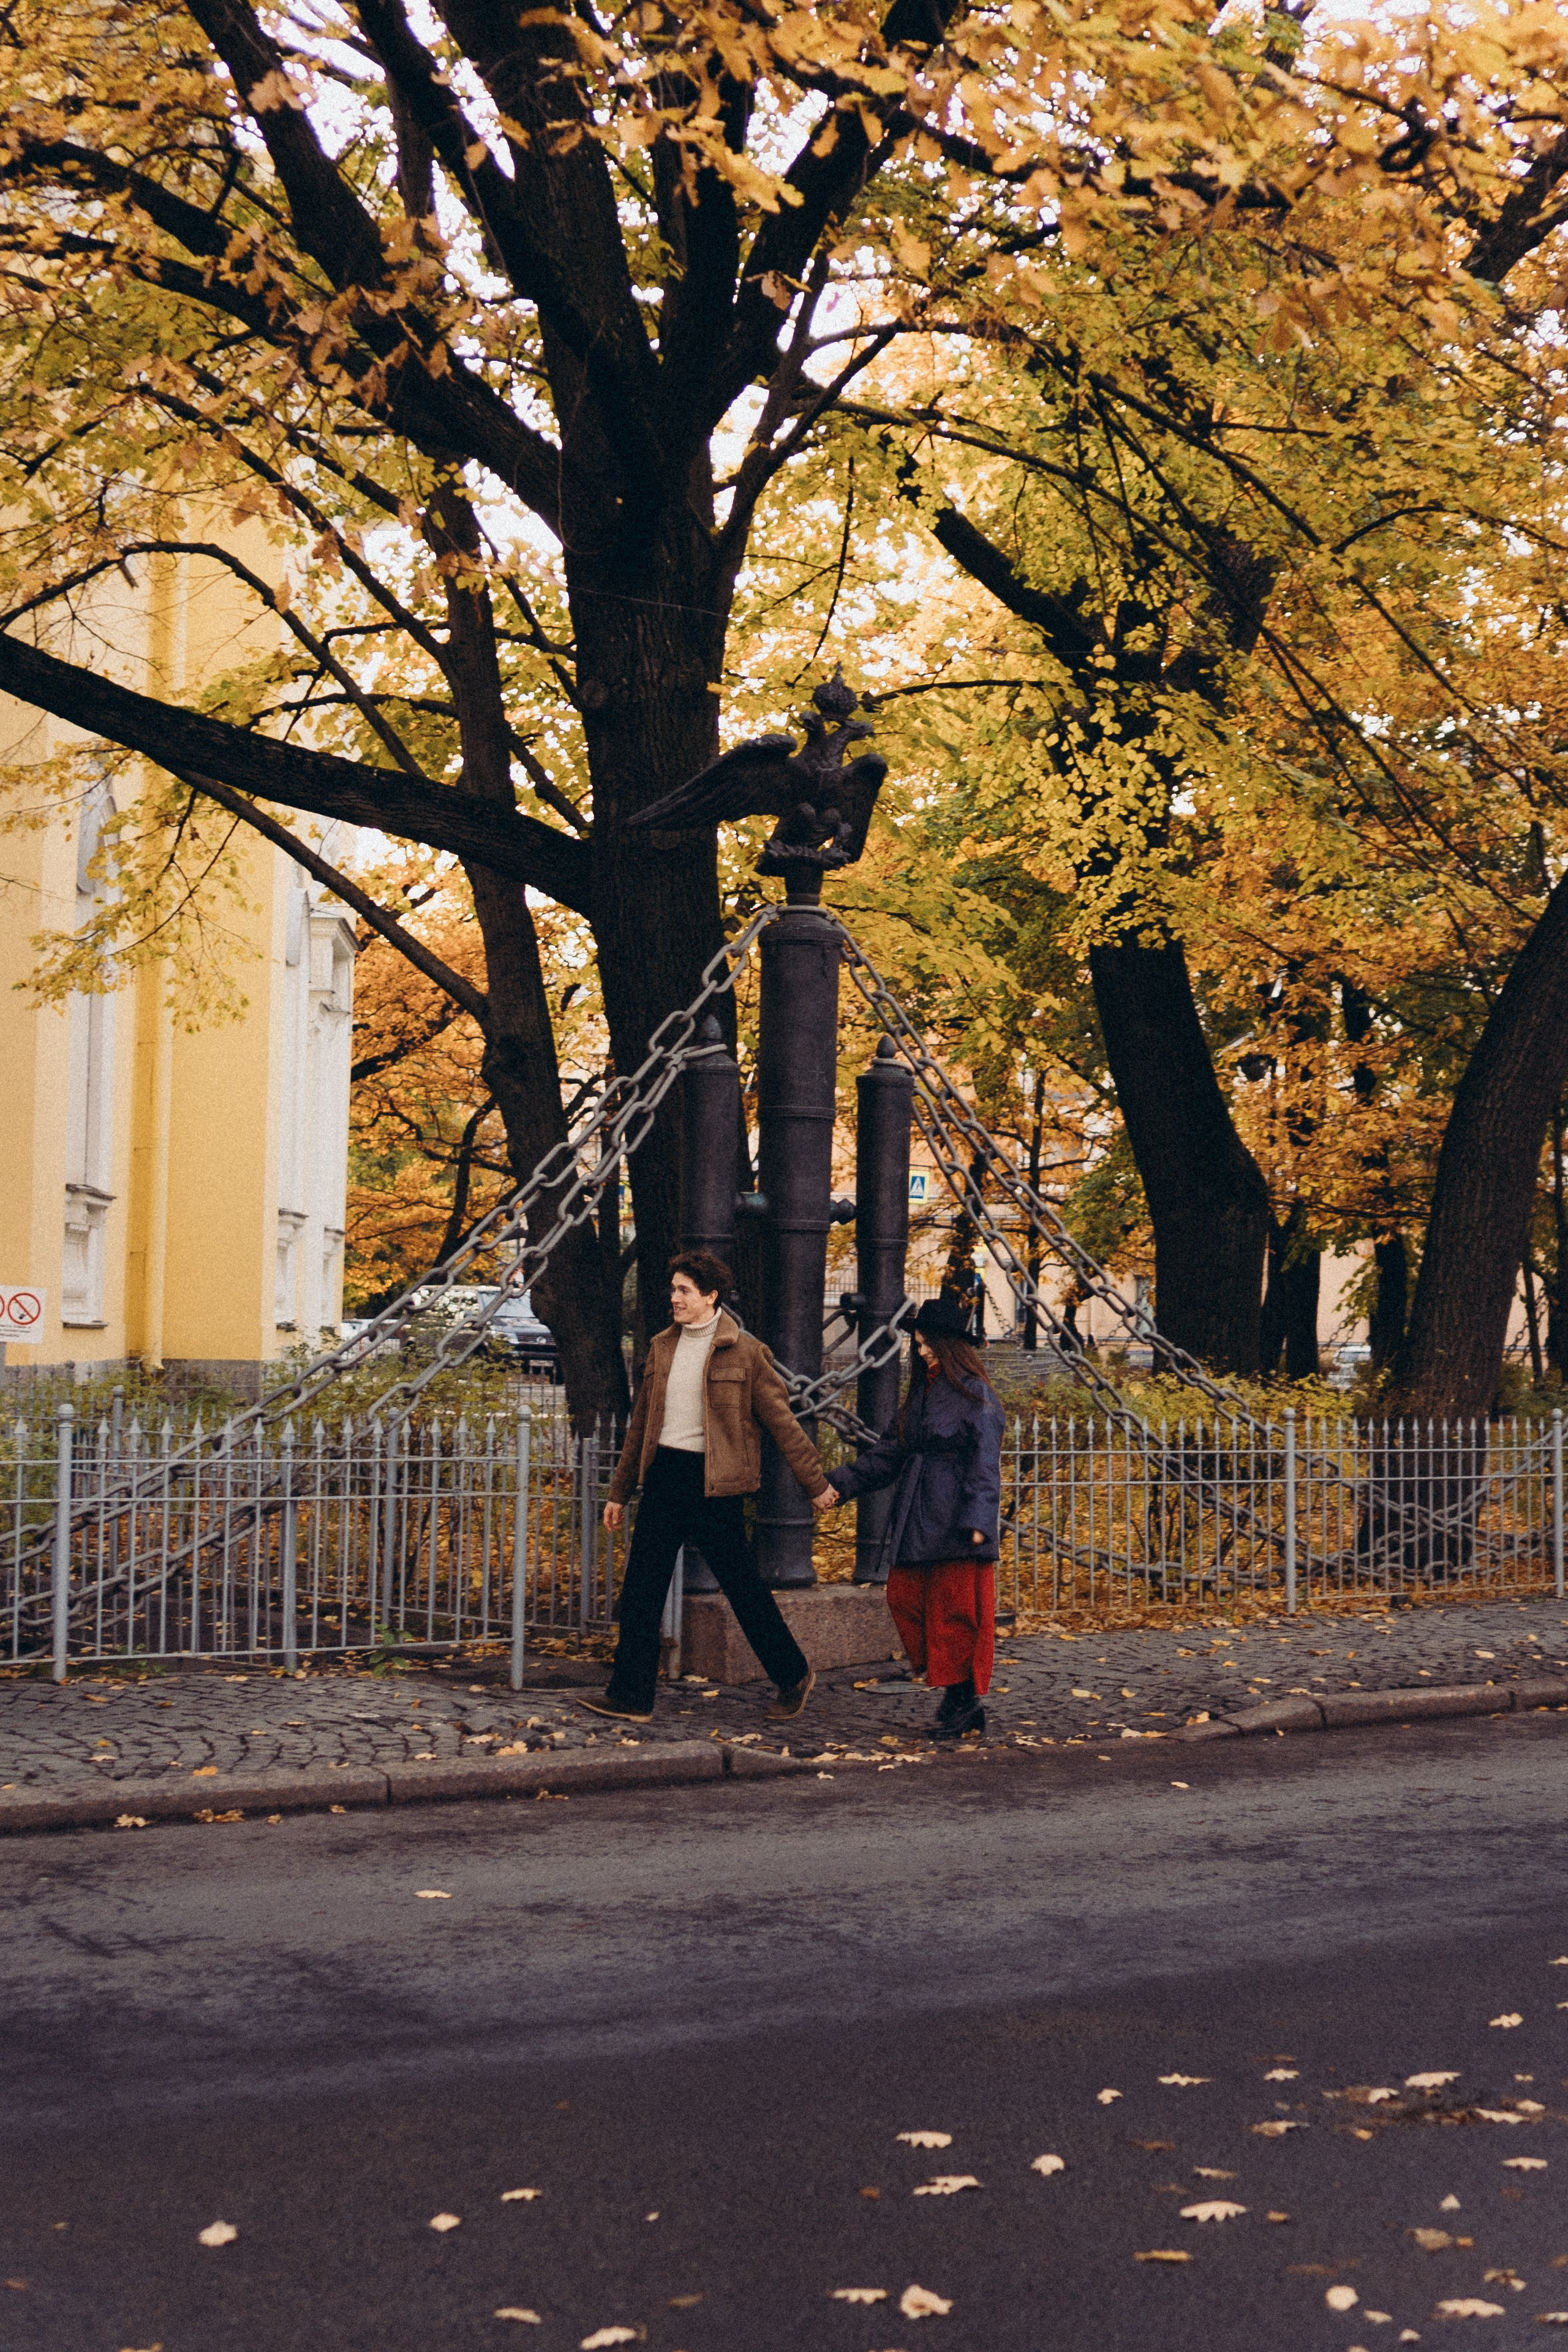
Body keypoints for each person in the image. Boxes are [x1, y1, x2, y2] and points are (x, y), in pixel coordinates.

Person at [585, 1250, 836, 1725]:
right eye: (673, 1289)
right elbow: (642, 1425)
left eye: (684, 1291)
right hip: (663, 1477)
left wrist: (815, 1483)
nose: (674, 1298)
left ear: (710, 1296)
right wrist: (618, 1492)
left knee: (743, 1589)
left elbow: (783, 1423)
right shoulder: (662, 1346)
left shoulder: (745, 1352)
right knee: (641, 1589)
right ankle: (631, 1696)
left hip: (714, 1484)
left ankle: (793, 1674)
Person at [821, 1295, 1003, 1741]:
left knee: (954, 1611)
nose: (921, 1352)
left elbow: (985, 1461)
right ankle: (951, 1689)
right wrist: (838, 1484)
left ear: (951, 1346)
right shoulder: (921, 1394)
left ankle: (961, 1701)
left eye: (928, 1345)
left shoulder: (977, 1394)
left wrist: (979, 1519)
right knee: (904, 1598)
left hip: (958, 1520)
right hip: (918, 1513)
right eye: (918, 1344)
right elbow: (888, 1454)